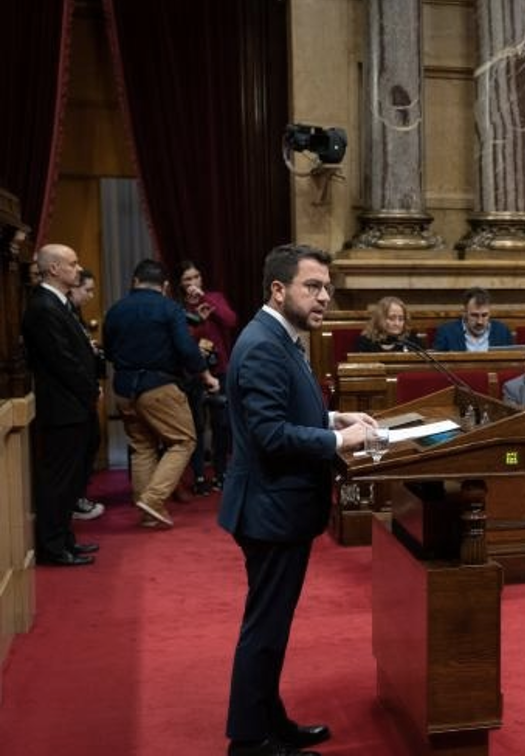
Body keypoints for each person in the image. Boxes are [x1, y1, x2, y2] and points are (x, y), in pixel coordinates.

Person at [219, 244, 376, 756]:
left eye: (327, 288)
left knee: (272, 624)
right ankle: (249, 739)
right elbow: (269, 434)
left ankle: (269, 718)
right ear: (279, 289)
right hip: (270, 509)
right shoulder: (264, 343)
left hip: (279, 505)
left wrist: (335, 420)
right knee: (264, 627)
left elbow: (292, 410)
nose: (324, 297)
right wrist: (337, 443)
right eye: (313, 286)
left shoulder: (281, 337)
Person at [105, 259, 219, 529]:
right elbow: (186, 349)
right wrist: (207, 376)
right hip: (158, 386)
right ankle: (154, 500)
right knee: (184, 441)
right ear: (166, 286)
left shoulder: (116, 310)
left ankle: (147, 513)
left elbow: (109, 353)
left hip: (122, 388)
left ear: (134, 282)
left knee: (142, 447)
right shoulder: (169, 308)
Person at [21, 243, 101, 566]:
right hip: (62, 407)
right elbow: (62, 361)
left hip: (73, 406)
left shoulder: (59, 302)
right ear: (54, 269)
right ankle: (53, 547)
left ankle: (65, 539)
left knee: (70, 481)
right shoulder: (42, 306)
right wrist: (90, 387)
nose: (78, 268)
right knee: (58, 481)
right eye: (73, 263)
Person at [175, 260, 237, 495]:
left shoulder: (214, 298)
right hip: (192, 372)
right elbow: (183, 341)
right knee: (196, 426)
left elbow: (230, 321)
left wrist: (206, 299)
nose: (193, 283)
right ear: (180, 285)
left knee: (222, 425)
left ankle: (221, 474)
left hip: (220, 368)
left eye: (196, 277)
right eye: (187, 280)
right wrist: (196, 319)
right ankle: (199, 476)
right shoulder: (178, 308)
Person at [67, 267, 107, 521]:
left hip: (83, 391)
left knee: (91, 441)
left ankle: (79, 496)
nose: (90, 296)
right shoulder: (58, 310)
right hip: (72, 396)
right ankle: (75, 500)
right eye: (87, 290)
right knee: (78, 450)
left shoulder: (73, 311)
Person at [432, 287, 514, 351]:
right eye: (474, 315)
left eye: (484, 315)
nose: (480, 322)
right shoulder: (446, 333)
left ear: (490, 313)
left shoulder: (502, 331)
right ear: (464, 313)